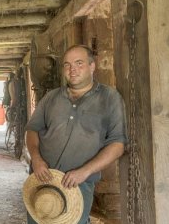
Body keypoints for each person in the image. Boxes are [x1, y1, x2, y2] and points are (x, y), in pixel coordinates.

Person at [24, 45, 127, 224]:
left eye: (79, 63)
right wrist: (36, 158)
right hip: (42, 181)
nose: (72, 70)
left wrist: (84, 172)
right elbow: (32, 129)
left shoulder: (109, 98)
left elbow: (117, 144)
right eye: (67, 65)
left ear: (92, 66)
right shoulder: (51, 98)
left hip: (78, 184)